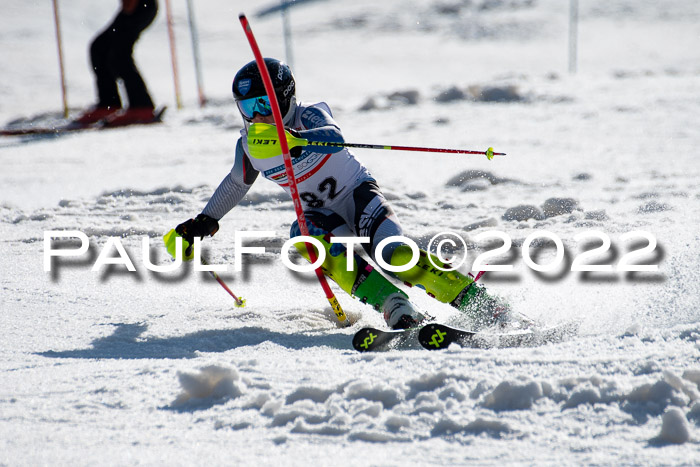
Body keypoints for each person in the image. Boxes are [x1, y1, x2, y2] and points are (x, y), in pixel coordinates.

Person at [175, 58, 510, 330]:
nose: (259, 114)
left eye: (266, 102)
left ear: (285, 95)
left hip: (357, 197)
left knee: (392, 255)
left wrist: (295, 139)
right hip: (322, 216)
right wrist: (206, 220)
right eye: (248, 107)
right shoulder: (250, 147)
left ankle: (480, 303)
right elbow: (236, 184)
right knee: (302, 236)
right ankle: (395, 307)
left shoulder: (308, 115)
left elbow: (333, 137)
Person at [75, 0, 159, 127]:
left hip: (141, 5)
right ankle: (109, 103)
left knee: (119, 55)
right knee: (100, 47)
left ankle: (141, 106)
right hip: (136, 6)